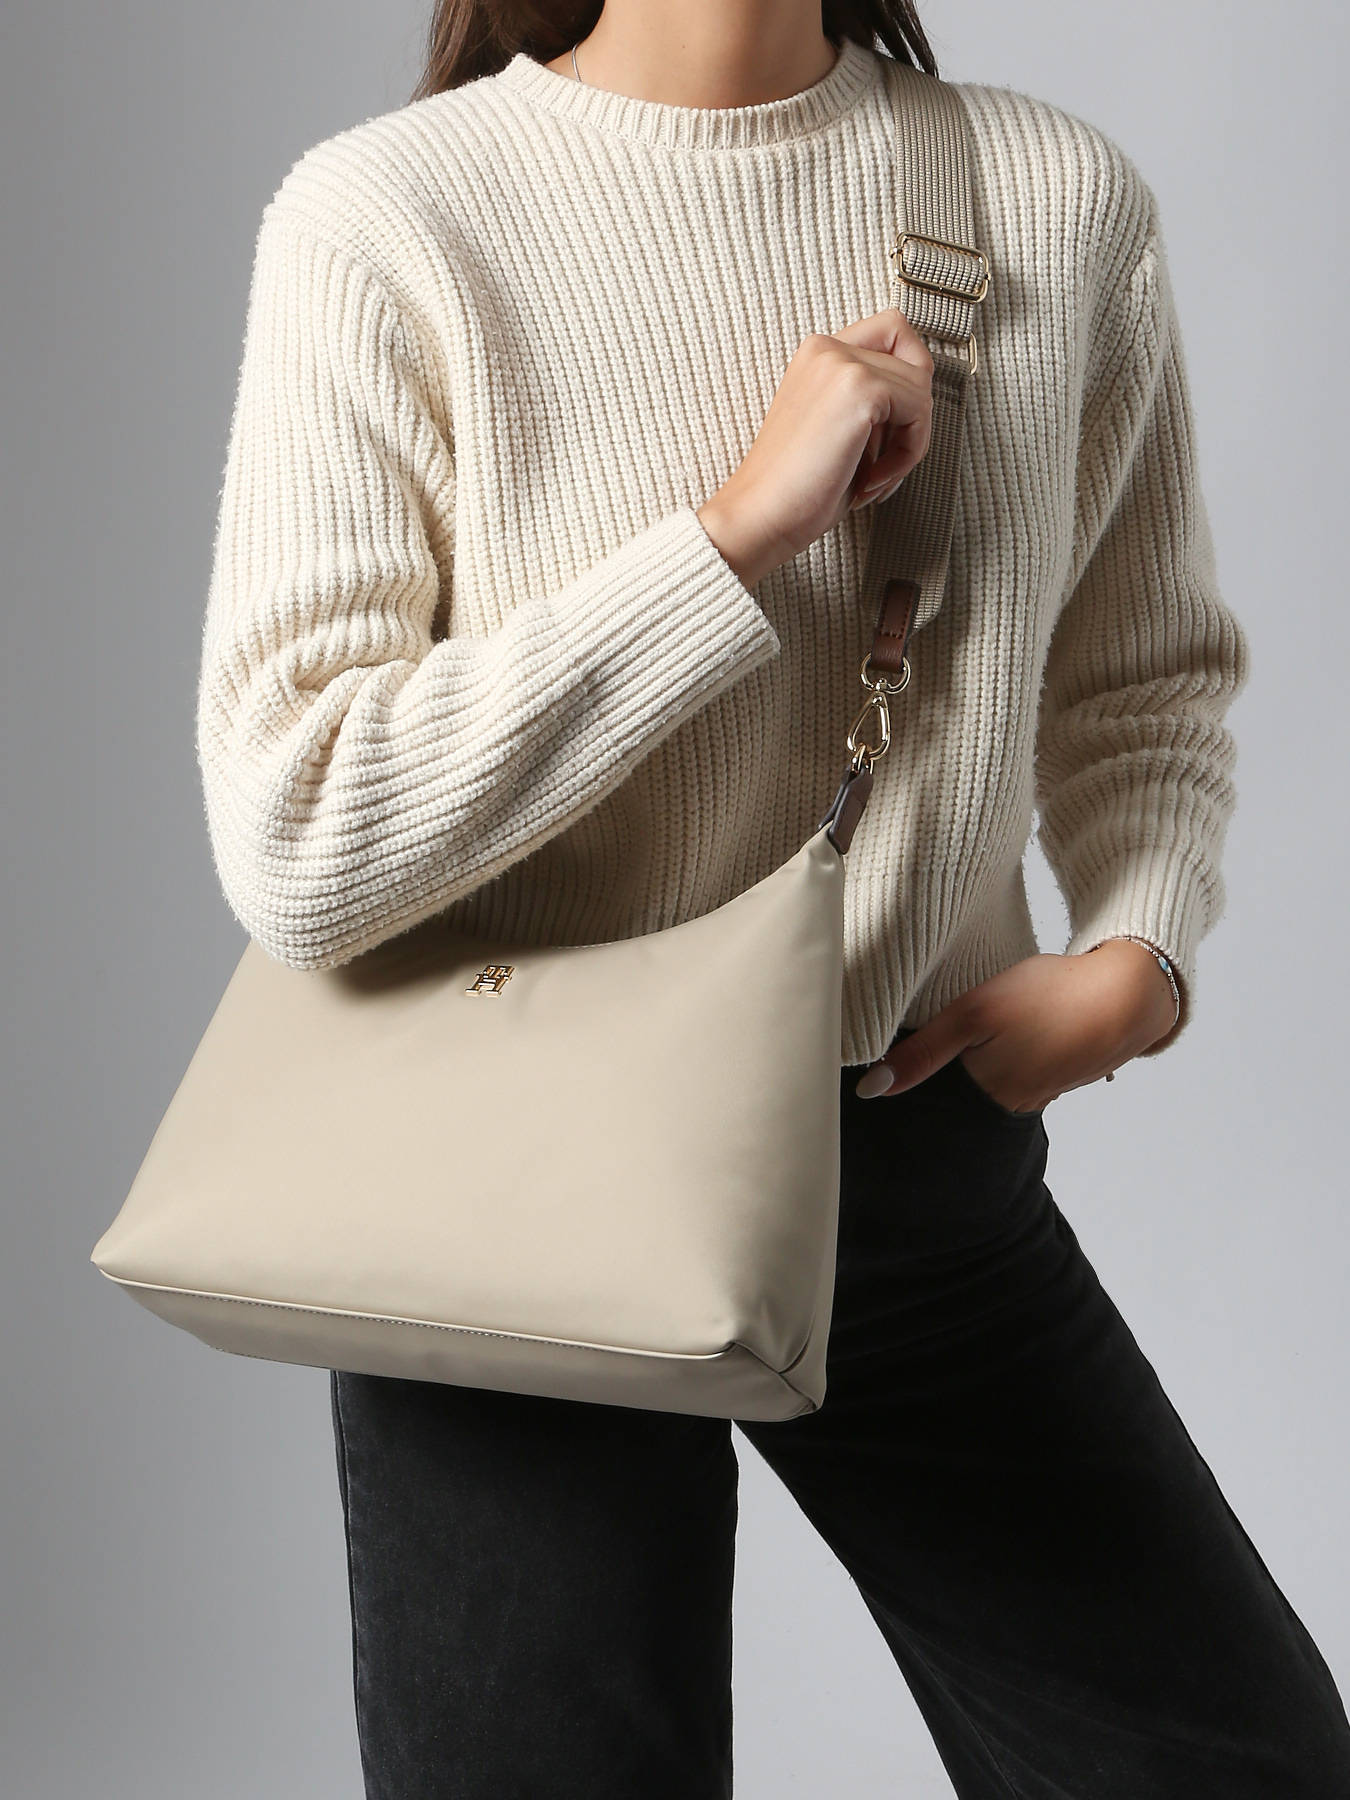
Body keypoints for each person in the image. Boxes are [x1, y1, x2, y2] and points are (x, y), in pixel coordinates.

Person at [195, 3, 1350, 1794]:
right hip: (500, 1175)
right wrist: (732, 539)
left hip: (898, 1144)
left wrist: (1140, 946)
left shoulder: (1050, 200)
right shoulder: (389, 219)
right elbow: (301, 830)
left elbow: (1142, 682)